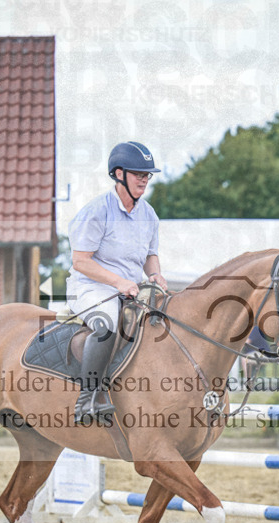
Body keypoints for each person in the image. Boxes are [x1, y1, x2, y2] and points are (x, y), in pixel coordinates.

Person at [66, 141, 167, 423]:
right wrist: (119, 282)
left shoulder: (149, 214)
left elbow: (150, 254)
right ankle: (87, 399)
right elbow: (80, 261)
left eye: (147, 175)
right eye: (138, 174)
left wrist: (155, 274)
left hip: (131, 290)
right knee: (107, 323)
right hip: (90, 287)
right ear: (119, 174)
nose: (144, 180)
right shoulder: (97, 211)